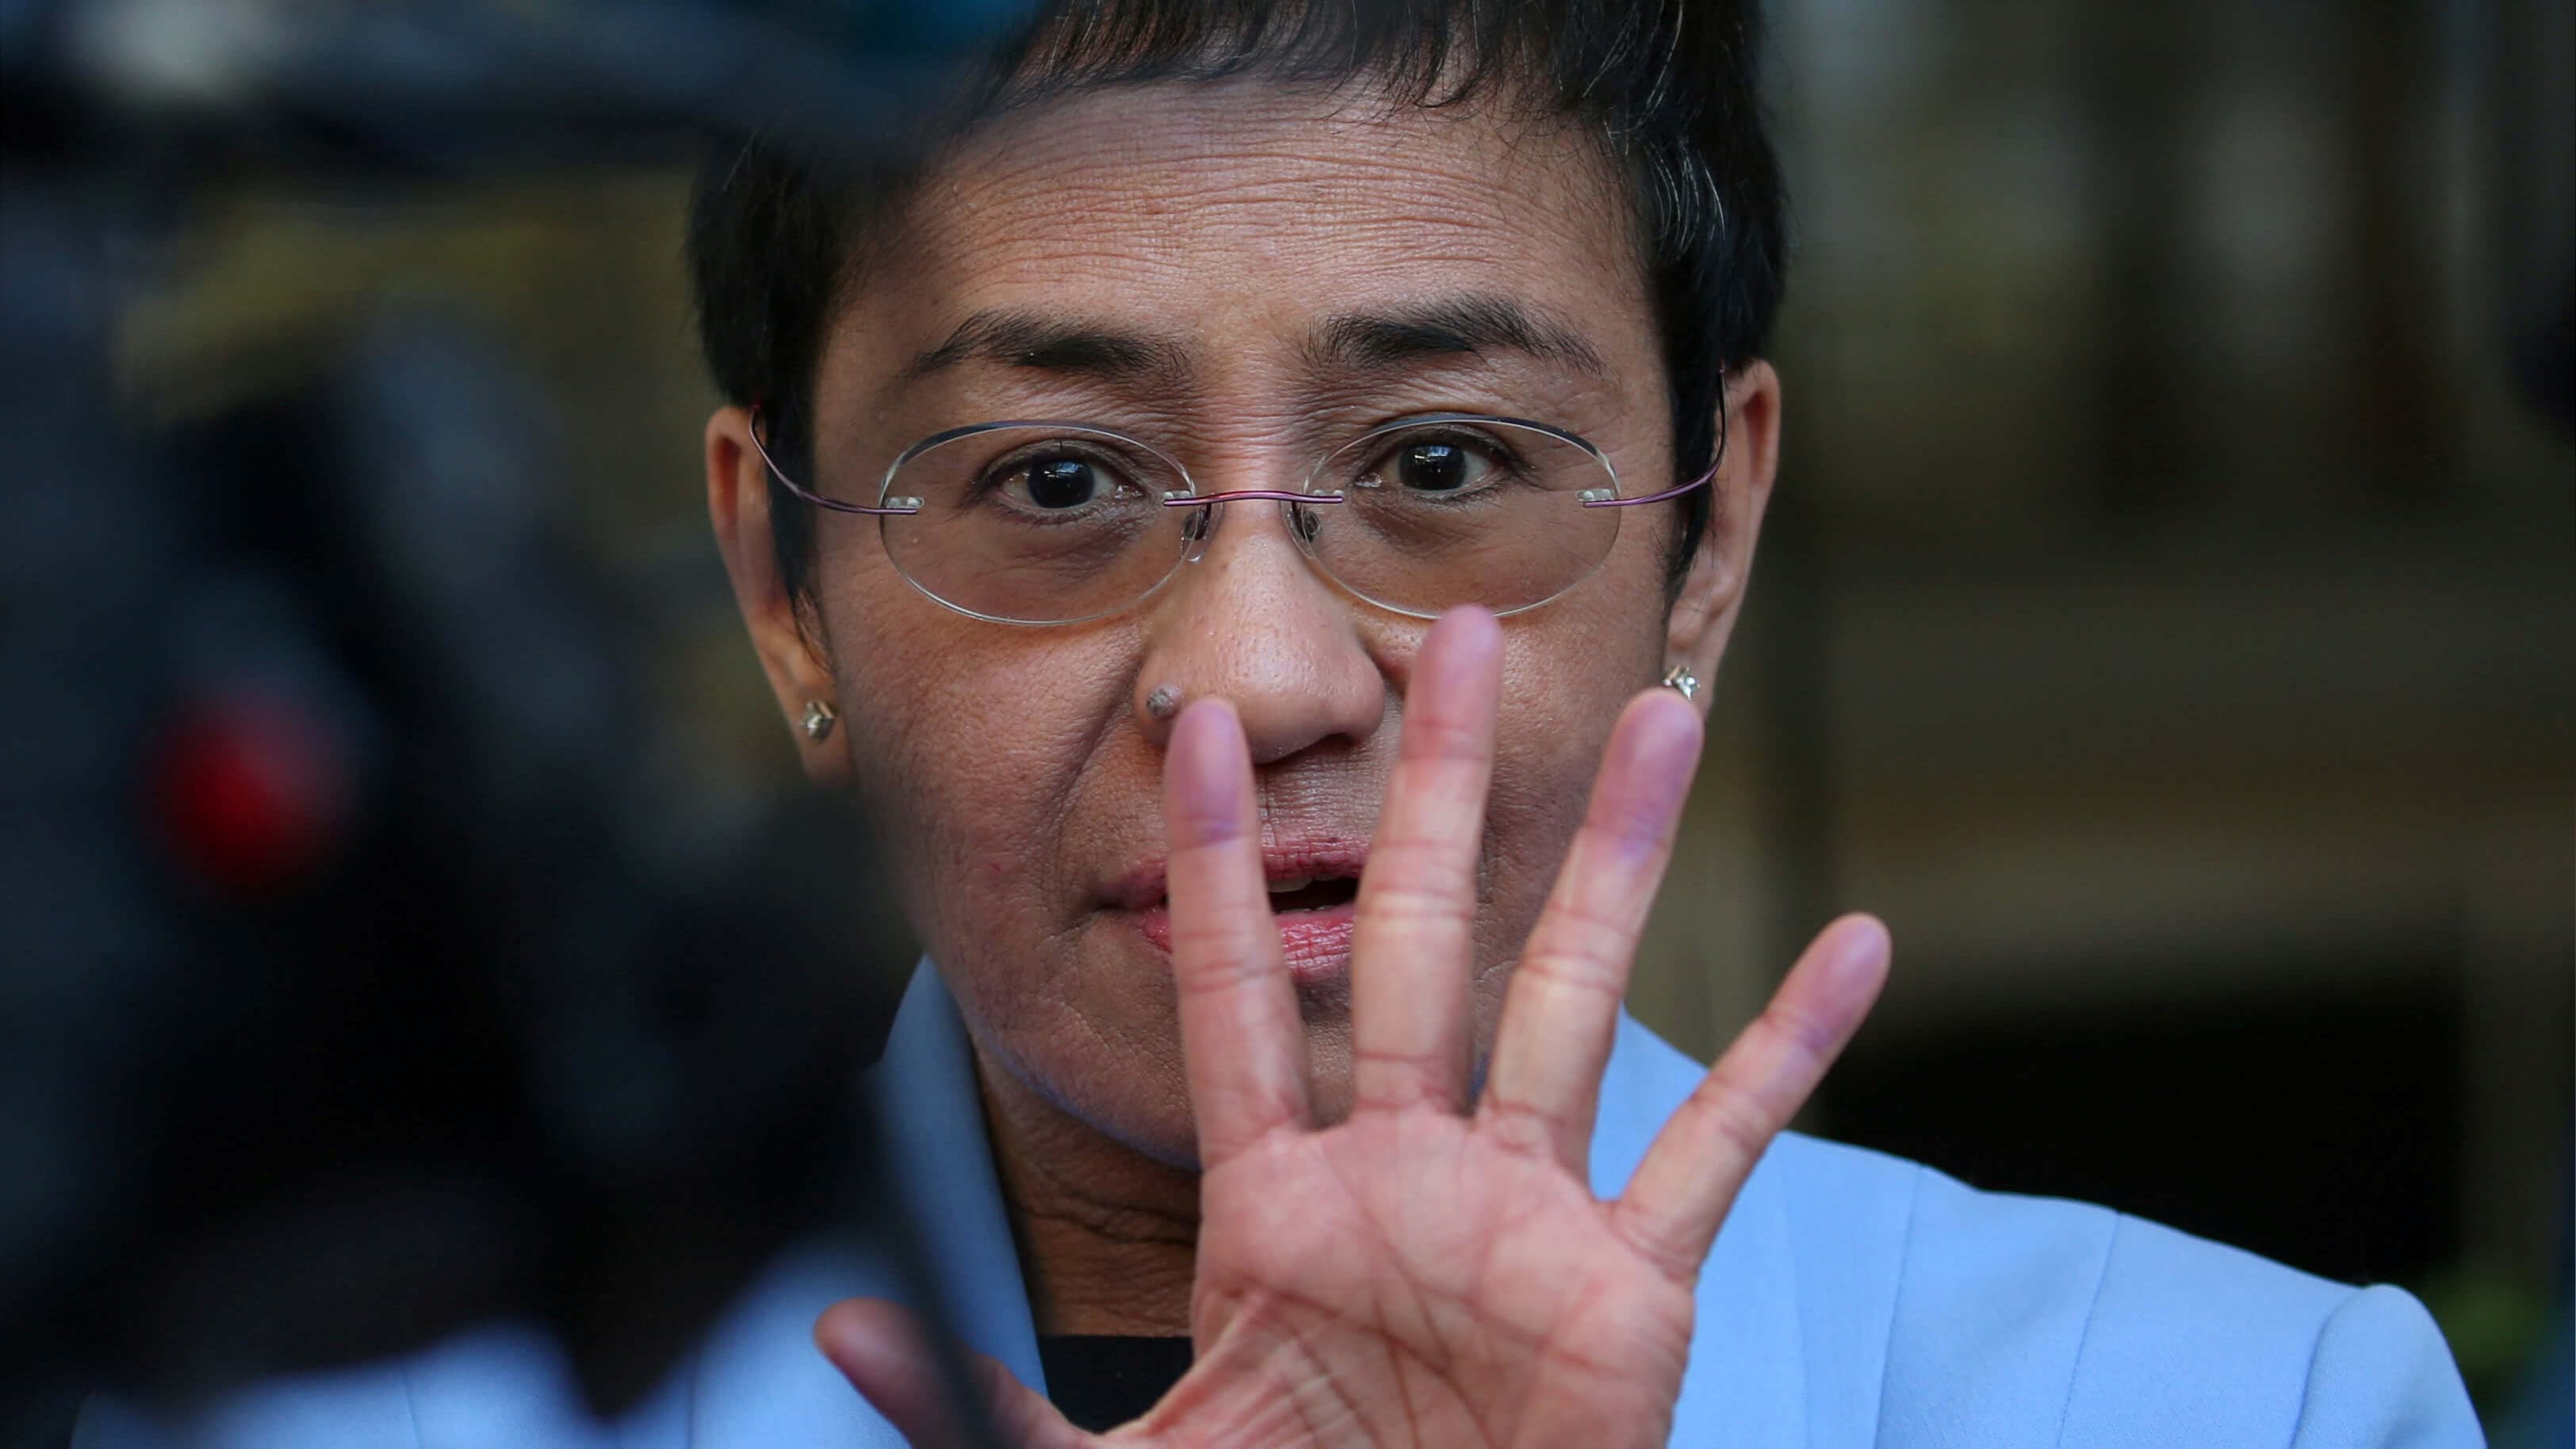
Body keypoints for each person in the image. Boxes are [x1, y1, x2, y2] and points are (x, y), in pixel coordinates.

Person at [75, 2, 2484, 1445]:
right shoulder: (311, 1420)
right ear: (778, 579)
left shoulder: (2210, 1405)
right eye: (1048, 481)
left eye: (1440, 466)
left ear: (1711, 529)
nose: (1256, 674)